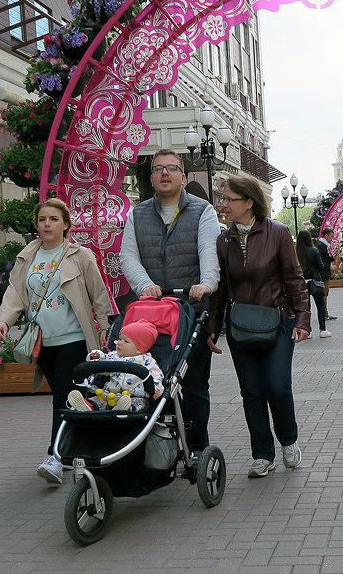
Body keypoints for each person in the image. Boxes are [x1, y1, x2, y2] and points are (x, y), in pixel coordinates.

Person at [0, 198, 115, 486]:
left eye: (53, 219)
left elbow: (99, 294)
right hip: (42, 341)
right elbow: (14, 292)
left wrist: (106, 330)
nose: (47, 225)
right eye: (42, 220)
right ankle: (81, 448)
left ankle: (56, 457)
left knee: (63, 397)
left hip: (73, 340)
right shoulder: (28, 255)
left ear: (66, 224)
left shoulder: (80, 255)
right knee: (70, 399)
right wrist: (3, 321)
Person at [118, 148, 220, 460]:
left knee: (193, 384)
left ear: (183, 177)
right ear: (150, 178)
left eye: (172, 168)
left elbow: (208, 251)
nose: (165, 173)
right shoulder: (137, 214)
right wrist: (144, 285)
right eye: (159, 168)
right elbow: (128, 256)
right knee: (149, 380)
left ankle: (197, 446)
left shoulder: (203, 212)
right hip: (150, 313)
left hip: (190, 311)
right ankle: (152, 446)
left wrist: (207, 283)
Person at [207, 175, 310, 478]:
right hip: (240, 326)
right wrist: (213, 325)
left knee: (277, 386)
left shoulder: (278, 233)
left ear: (248, 202)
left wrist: (303, 318)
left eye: (229, 199)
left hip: (278, 322)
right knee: (251, 391)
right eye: (222, 199)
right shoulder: (223, 239)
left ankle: (288, 441)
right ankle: (262, 454)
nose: (223, 204)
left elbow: (294, 278)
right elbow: (222, 287)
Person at [67, 319, 164, 412]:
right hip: (110, 395)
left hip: (135, 396)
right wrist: (97, 357)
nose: (119, 343)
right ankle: (88, 406)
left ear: (139, 349)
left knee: (139, 403)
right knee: (98, 400)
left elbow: (157, 376)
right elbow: (103, 363)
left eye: (125, 341)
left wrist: (156, 387)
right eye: (119, 339)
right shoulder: (113, 356)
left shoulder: (147, 361)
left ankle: (125, 408)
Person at [296, 231, 332, 338]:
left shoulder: (296, 252)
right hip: (314, 281)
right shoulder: (314, 250)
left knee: (306, 308)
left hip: (301, 283)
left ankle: (308, 331)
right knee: (320, 305)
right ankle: (323, 330)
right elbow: (320, 266)